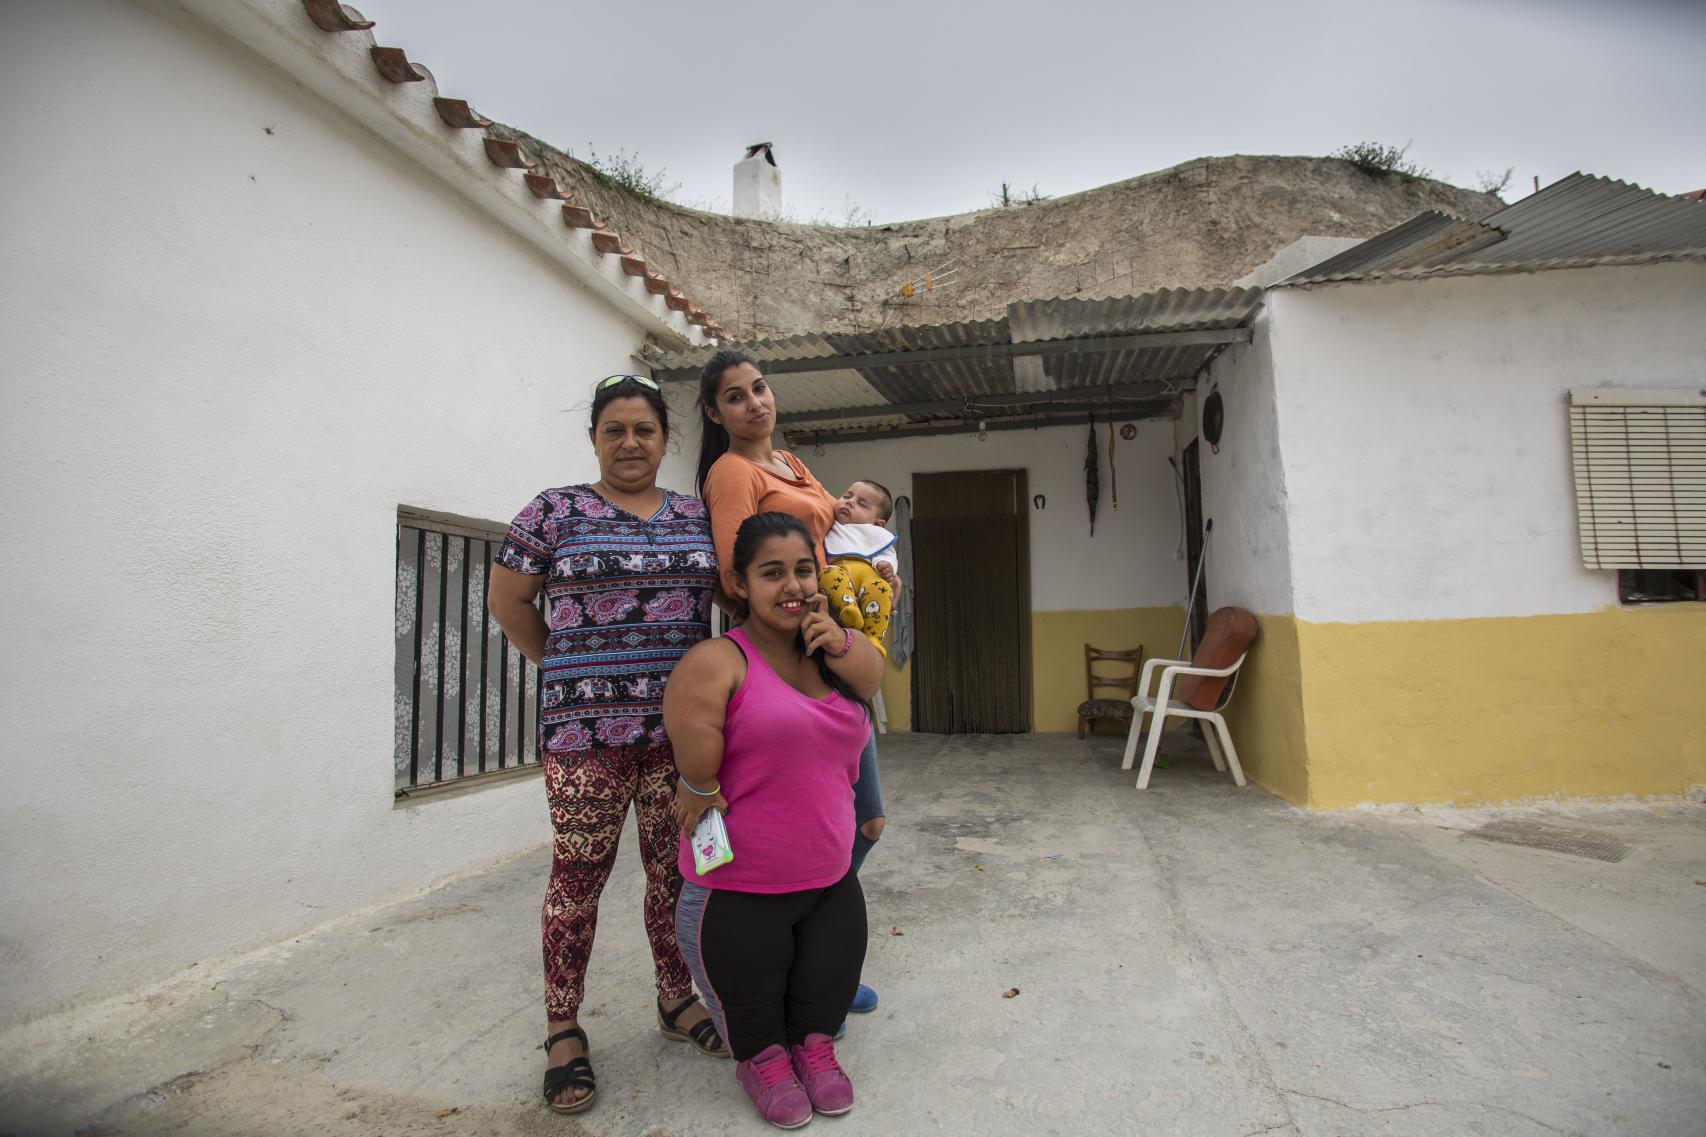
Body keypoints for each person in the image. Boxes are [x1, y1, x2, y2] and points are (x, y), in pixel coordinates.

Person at [486, 374, 727, 1116]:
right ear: (594, 436)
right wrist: (570, 671)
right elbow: (510, 602)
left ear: (665, 438)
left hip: (679, 743)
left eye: (644, 430)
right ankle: (563, 1028)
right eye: (614, 429)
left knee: (679, 876)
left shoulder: (695, 517)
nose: (630, 442)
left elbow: (737, 595)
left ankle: (675, 999)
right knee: (577, 881)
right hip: (582, 738)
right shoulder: (553, 510)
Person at [666, 512, 885, 1128]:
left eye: (803, 570)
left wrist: (837, 637)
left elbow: (872, 677)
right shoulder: (716, 661)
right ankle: (761, 1059)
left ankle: (813, 1050)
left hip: (829, 876)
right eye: (772, 573)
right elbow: (698, 759)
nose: (792, 586)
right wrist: (695, 784)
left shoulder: (829, 653)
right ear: (738, 583)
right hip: (740, 888)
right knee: (755, 1010)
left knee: (824, 995)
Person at [695, 351, 888, 977]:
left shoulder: (792, 464)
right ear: (714, 412)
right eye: (735, 396)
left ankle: (819, 961)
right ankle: (804, 964)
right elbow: (734, 570)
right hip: (791, 647)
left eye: (760, 387)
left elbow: (825, 539)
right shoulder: (731, 472)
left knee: (865, 816)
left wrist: (870, 569)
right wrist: (779, 639)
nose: (755, 403)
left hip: (830, 633)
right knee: (840, 817)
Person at [821, 479, 898, 656]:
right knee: (827, 574)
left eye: (861, 504)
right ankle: (848, 610)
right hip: (838, 573)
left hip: (867, 576)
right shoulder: (831, 524)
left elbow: (888, 555)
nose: (850, 501)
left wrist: (886, 566)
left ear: (878, 524)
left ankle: (874, 637)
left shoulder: (876, 535)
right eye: (847, 496)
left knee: (882, 589)